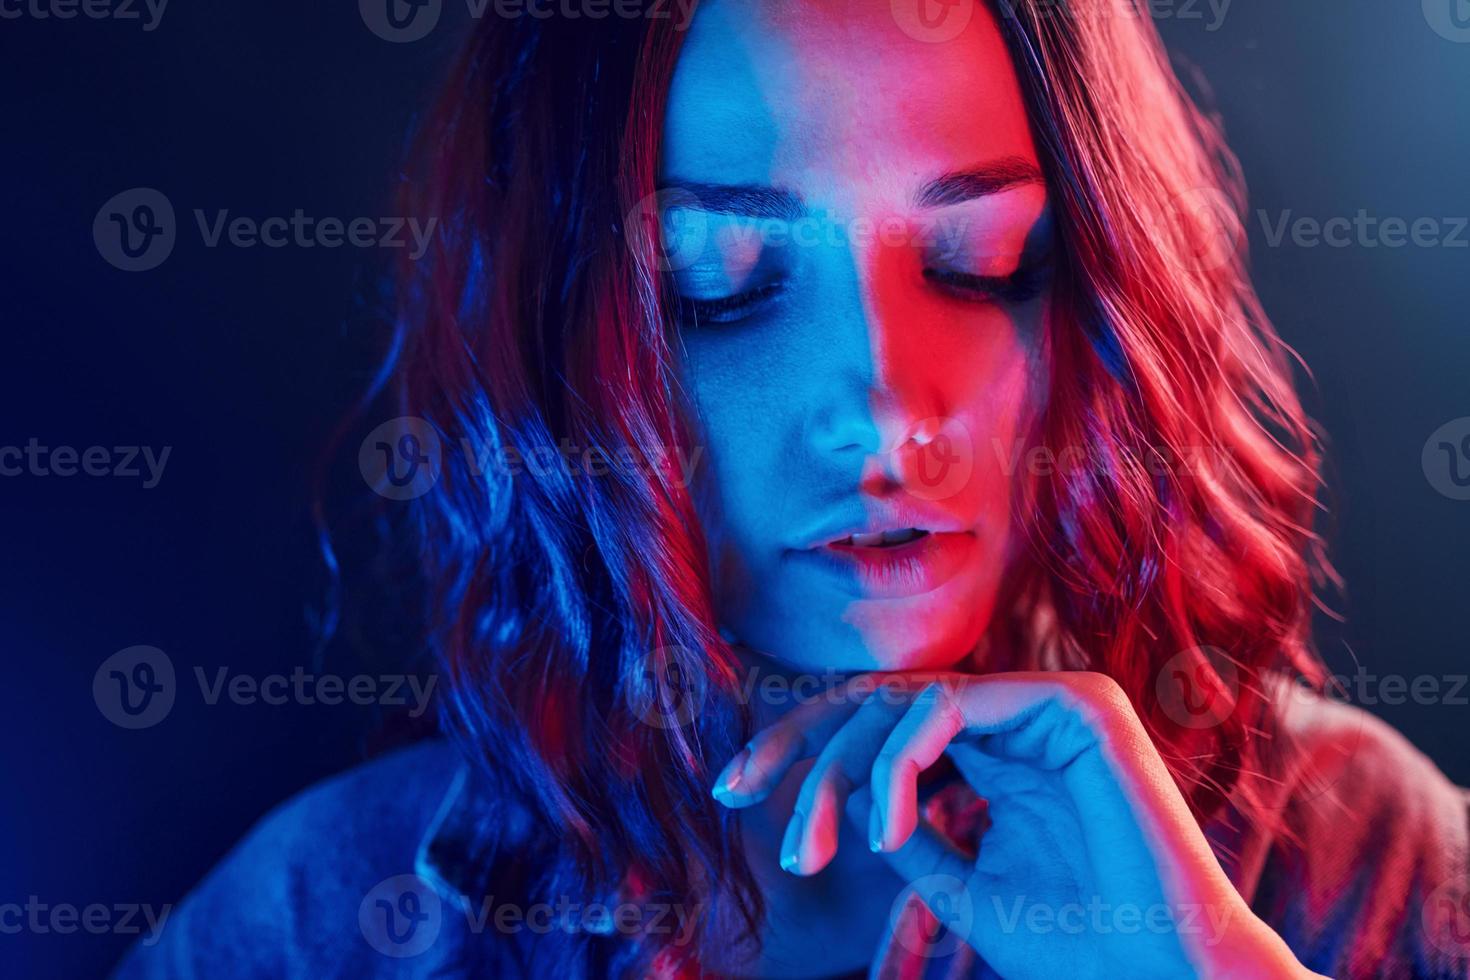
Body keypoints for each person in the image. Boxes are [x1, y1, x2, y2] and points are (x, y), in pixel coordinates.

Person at [115, 1, 1470, 977]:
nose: (882, 413)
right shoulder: (327, 915)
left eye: (983, 263)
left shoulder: (1360, 863)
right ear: (561, 343)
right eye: (723, 289)